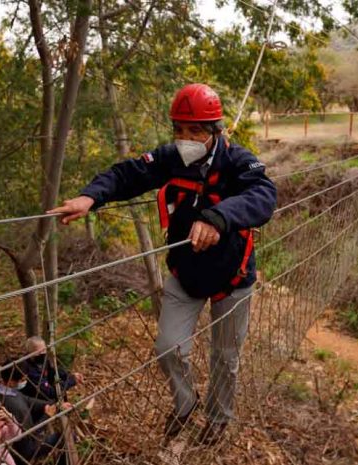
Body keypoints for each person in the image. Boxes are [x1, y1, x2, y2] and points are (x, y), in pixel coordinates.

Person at [49, 83, 277, 445]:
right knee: (168, 348)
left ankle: (218, 418)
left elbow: (264, 195)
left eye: (195, 131)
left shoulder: (237, 162)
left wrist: (218, 218)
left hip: (233, 278)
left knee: (225, 358)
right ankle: (186, 405)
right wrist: (89, 197)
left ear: (215, 131)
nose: (185, 138)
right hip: (185, 274)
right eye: (179, 130)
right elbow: (127, 175)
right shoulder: (171, 158)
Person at [0, 361, 68, 464]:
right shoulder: (14, 406)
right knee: (64, 437)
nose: (25, 381)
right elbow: (29, 435)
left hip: (22, 438)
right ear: (10, 382)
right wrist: (47, 416)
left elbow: (27, 399)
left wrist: (53, 405)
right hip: (25, 449)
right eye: (22, 379)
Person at [19, 337, 83, 403]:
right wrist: (71, 381)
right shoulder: (27, 369)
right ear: (30, 353)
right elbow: (49, 392)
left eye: (44, 350)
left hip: (46, 393)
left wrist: (69, 375)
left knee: (60, 386)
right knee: (57, 391)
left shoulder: (43, 360)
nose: (43, 353)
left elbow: (53, 371)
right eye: (39, 352)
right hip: (36, 401)